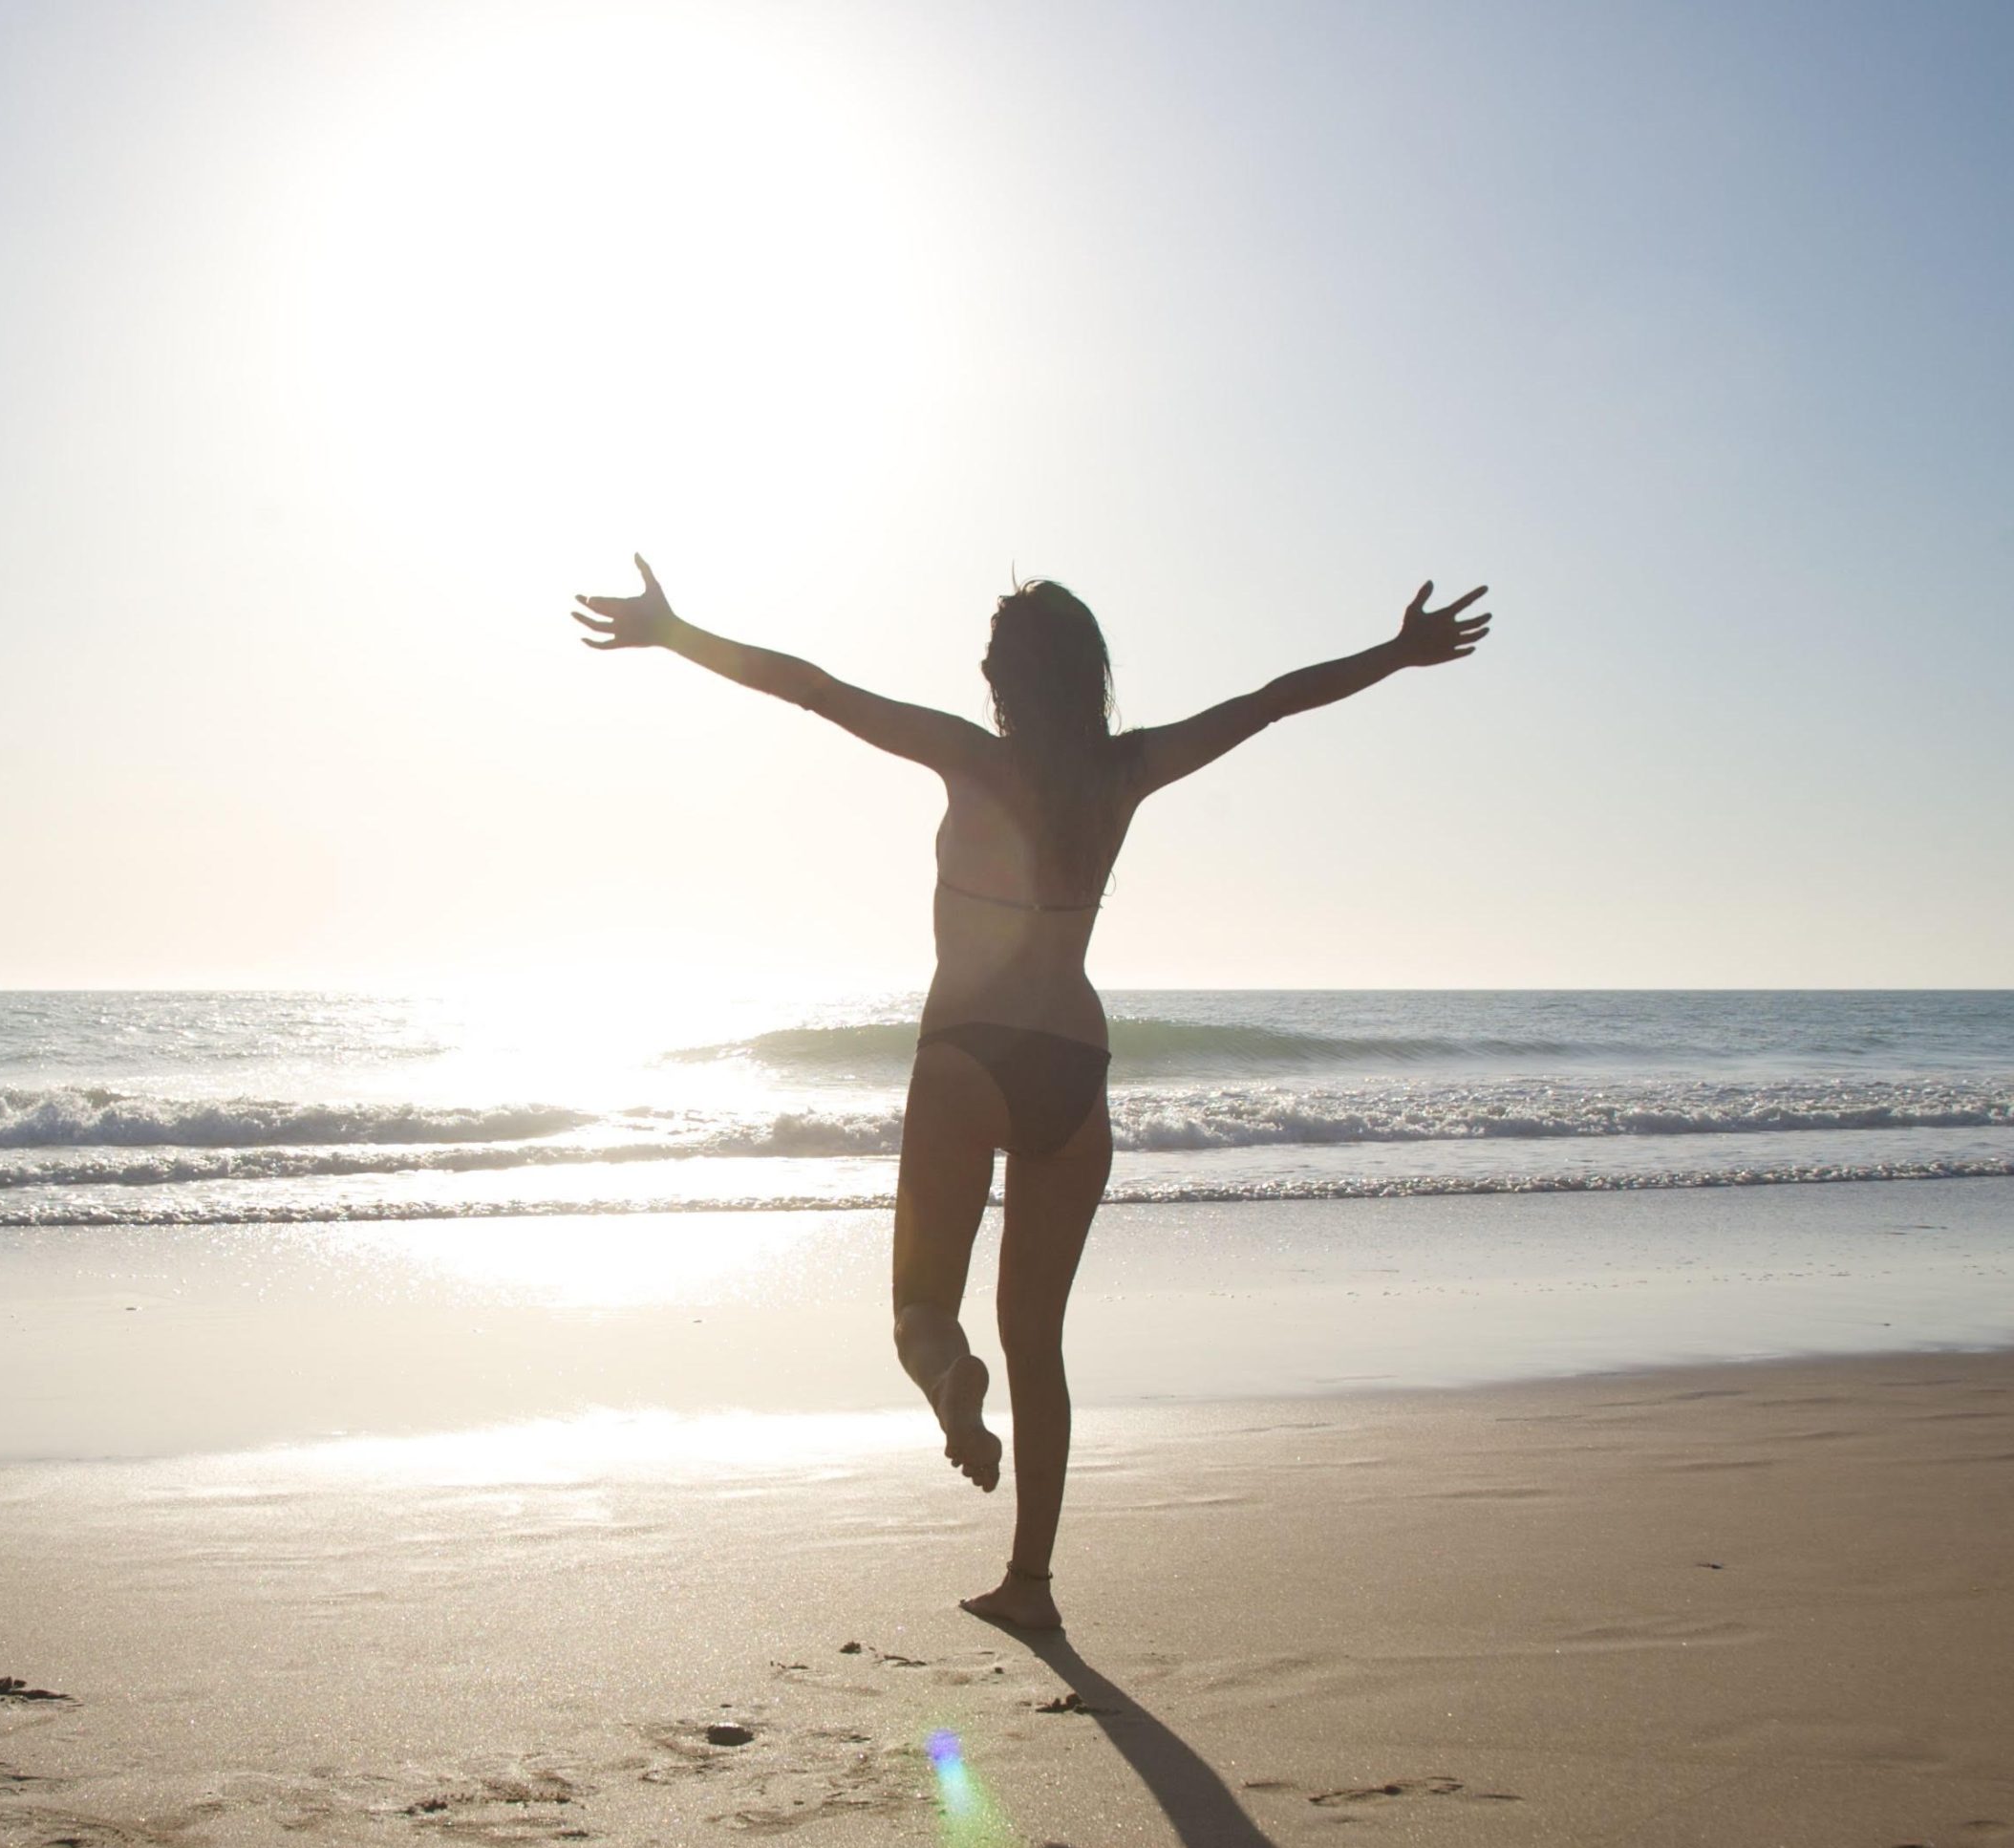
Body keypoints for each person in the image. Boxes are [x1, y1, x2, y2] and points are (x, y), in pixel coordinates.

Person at [571, 558, 1490, 1628]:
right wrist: (1395, 652)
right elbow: (1270, 703)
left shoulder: (968, 757)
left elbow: (813, 688)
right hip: (1072, 1066)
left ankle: (946, 1378)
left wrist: (675, 632)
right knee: (1039, 1342)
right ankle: (1032, 1585)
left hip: (965, 1051)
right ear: (1087, 674)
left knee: (921, 1306)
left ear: (1003, 678)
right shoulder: (1126, 770)